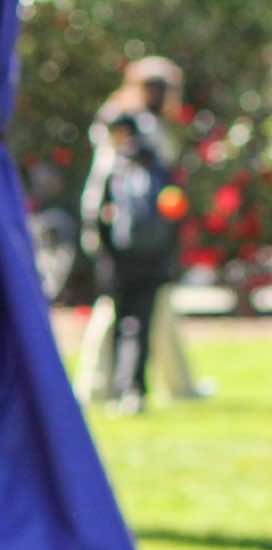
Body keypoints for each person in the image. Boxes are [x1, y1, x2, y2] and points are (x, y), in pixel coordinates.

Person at [77, 54, 206, 405]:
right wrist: (97, 227)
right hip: (123, 230)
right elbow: (106, 181)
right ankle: (98, 385)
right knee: (117, 311)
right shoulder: (124, 122)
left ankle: (174, 385)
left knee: (153, 311)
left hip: (143, 231)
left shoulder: (149, 123)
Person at [93, 113, 177, 414]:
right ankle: (135, 389)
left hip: (121, 261)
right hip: (152, 261)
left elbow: (98, 218)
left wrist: (103, 258)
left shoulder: (115, 168)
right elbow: (174, 219)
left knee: (122, 325)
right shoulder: (160, 170)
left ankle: (120, 389)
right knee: (141, 325)